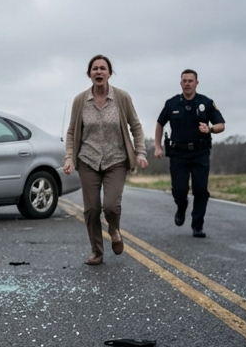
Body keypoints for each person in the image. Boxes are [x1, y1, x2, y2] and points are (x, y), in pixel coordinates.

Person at [64, 55, 148, 265]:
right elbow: (72, 132)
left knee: (111, 206)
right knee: (92, 209)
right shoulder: (80, 101)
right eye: (95, 69)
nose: (99, 72)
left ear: (109, 73)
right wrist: (69, 158)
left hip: (116, 160)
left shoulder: (121, 98)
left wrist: (140, 152)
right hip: (88, 160)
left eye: (103, 68)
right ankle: (97, 251)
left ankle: (114, 228)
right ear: (89, 74)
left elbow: (135, 126)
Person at [154, 69, 226, 237]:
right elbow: (159, 124)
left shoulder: (206, 103)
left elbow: (221, 125)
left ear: (196, 83)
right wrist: (158, 146)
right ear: (181, 83)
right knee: (179, 190)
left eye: (190, 81)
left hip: (200, 153)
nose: (187, 83)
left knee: (200, 190)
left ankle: (197, 225)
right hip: (178, 154)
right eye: (184, 81)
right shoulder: (172, 104)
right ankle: (181, 206)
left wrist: (209, 129)